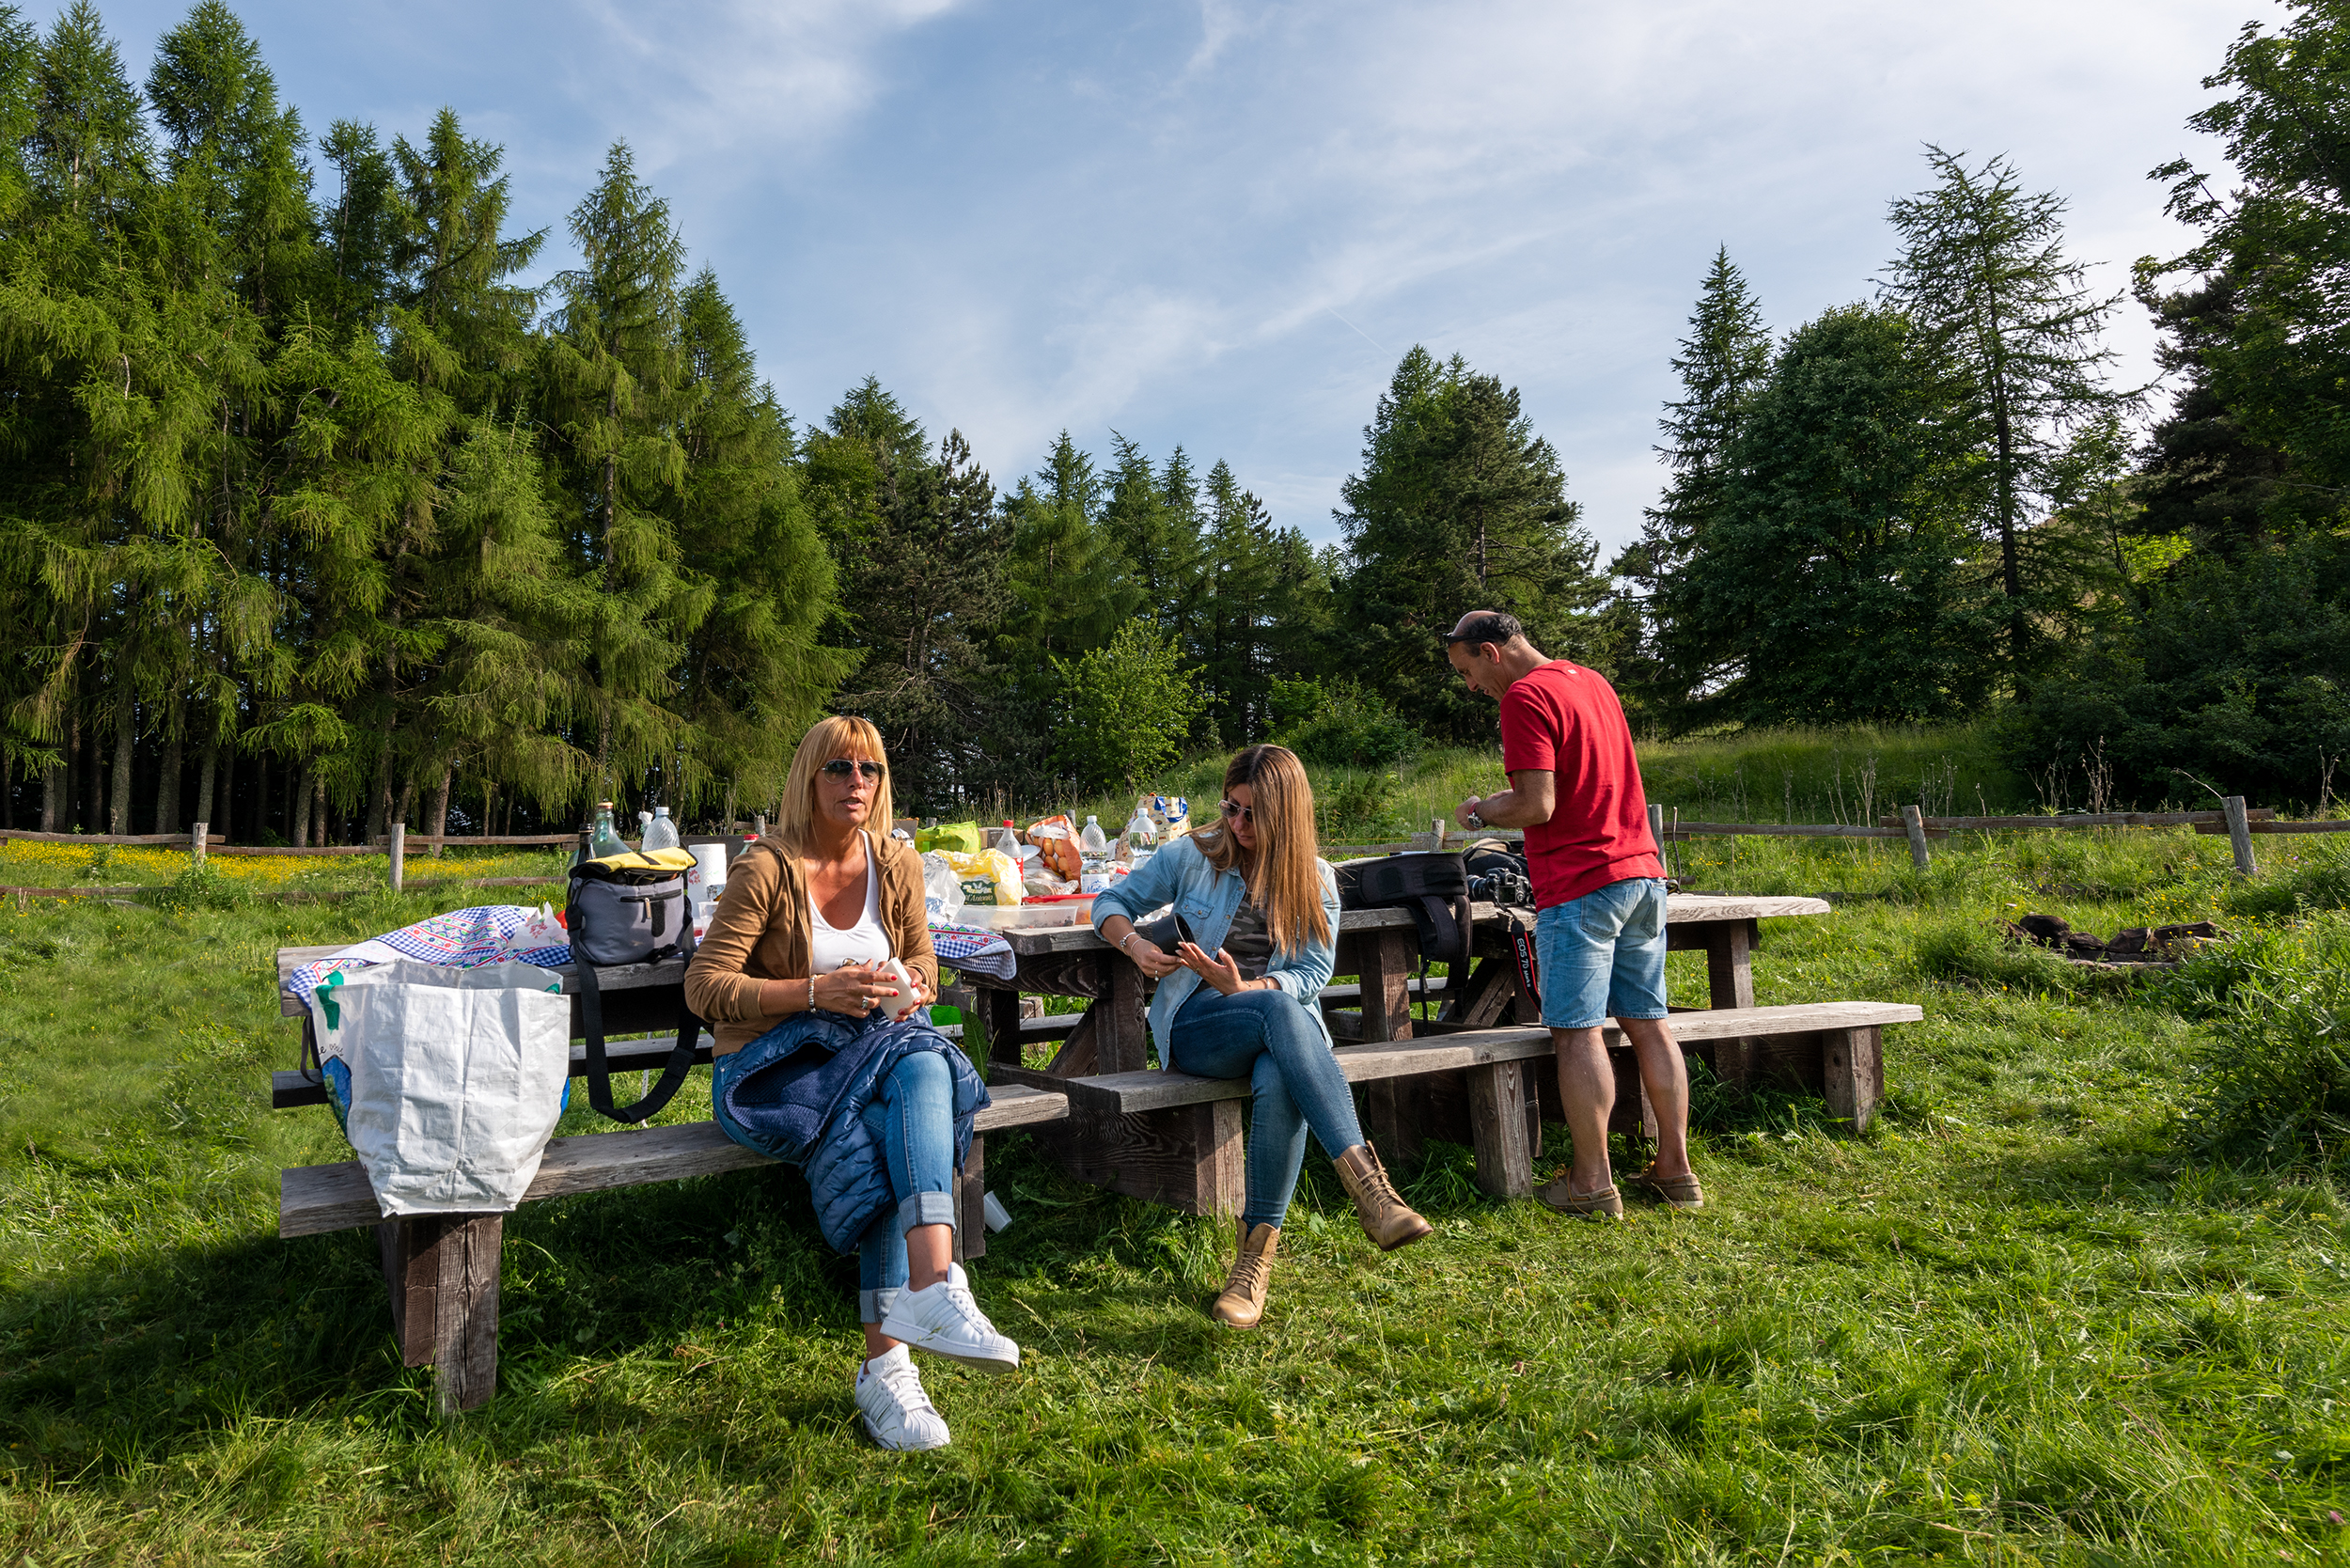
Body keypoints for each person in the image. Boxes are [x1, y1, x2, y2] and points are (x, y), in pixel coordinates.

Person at [684, 715, 1019, 1451]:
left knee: (921, 1060)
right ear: (809, 777)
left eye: (869, 771)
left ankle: (926, 1303)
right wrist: (814, 992)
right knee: (890, 1118)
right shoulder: (766, 867)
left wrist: (912, 986)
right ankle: (893, 1359)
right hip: (775, 1071)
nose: (856, 783)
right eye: (839, 769)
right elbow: (705, 988)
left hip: (868, 1051)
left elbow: (927, 962)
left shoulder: (895, 862)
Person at [1091, 744, 1433, 1330]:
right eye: (1231, 808)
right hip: (1199, 1030)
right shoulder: (1191, 856)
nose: (1238, 824)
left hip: (1276, 1031)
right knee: (1276, 1011)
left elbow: (1312, 974)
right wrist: (1136, 945)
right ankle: (1371, 1191)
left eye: (1253, 815)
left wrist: (1246, 985)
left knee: (1279, 1067)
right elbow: (1111, 900)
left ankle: (1253, 1264)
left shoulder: (1316, 879)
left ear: (1286, 816)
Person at [1440, 609, 1701, 1219]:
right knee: (1649, 1022)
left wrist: (1480, 811)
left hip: (1581, 887)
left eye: (1467, 671)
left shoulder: (1525, 698)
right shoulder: (1591, 682)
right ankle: (1675, 1168)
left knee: (1578, 1034)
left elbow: (1538, 803)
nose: (1471, 687)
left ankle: (1591, 1181)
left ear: (1491, 651)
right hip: (1642, 875)